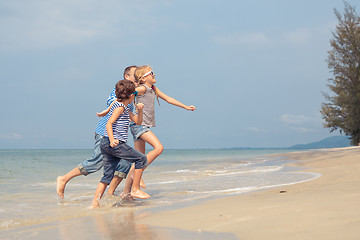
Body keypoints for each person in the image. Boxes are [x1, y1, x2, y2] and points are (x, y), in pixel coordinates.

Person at [109, 65, 196, 197]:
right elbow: (124, 95)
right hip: (139, 126)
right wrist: (110, 108)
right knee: (158, 148)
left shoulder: (153, 89)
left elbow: (168, 99)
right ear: (143, 78)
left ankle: (126, 193)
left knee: (138, 159)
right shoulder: (142, 89)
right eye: (151, 73)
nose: (154, 75)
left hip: (142, 126)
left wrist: (185, 107)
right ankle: (135, 187)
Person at [56, 66, 137, 199]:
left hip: (118, 136)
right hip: (105, 133)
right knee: (97, 162)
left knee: (126, 162)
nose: (138, 76)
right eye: (136, 74)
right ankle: (64, 179)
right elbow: (111, 101)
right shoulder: (119, 90)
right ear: (127, 77)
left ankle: (110, 193)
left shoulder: (133, 93)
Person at [91, 80, 149, 208]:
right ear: (131, 95)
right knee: (141, 158)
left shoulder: (121, 106)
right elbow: (109, 123)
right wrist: (112, 140)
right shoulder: (121, 107)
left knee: (107, 176)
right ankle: (135, 189)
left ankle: (95, 203)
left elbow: (138, 122)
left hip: (106, 144)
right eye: (134, 92)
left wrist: (139, 111)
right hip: (114, 143)